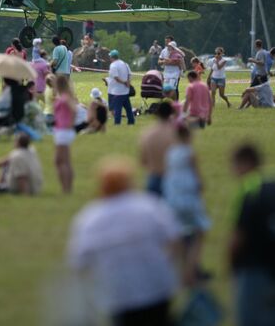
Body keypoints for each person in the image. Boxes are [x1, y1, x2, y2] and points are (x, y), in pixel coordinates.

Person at [67, 158, 181, 326]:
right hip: (157, 287)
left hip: (119, 293)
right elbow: (175, 239)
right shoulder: (149, 207)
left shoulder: (90, 219)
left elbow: (79, 261)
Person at [229, 145, 275, 326]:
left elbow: (239, 235)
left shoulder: (248, 190)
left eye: (235, 165)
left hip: (254, 271)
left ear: (246, 163)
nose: (233, 171)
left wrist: (230, 264)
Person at [164, 124, 210, 288]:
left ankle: (172, 270)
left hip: (174, 198)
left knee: (180, 234)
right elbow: (197, 176)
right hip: (189, 198)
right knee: (200, 233)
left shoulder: (170, 153)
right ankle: (190, 273)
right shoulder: (189, 153)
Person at [139, 101, 178, 197]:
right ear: (171, 114)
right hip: (172, 178)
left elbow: (143, 161)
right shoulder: (176, 135)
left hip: (153, 178)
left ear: (157, 114)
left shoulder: (147, 134)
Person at [53, 75, 76, 194]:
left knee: (60, 161)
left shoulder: (65, 97)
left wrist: (70, 123)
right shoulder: (64, 96)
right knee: (64, 160)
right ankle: (67, 187)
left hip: (64, 130)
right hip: (61, 130)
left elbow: (74, 109)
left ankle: (66, 188)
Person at [107, 50, 135, 126]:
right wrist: (128, 83)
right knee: (128, 108)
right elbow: (129, 74)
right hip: (125, 90)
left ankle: (117, 123)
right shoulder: (125, 64)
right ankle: (131, 121)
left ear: (112, 57)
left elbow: (116, 77)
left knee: (117, 108)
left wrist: (124, 82)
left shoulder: (113, 65)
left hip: (117, 91)